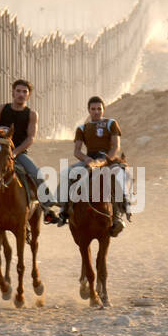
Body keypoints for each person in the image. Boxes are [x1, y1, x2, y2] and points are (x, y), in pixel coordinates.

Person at [0, 79, 58, 232]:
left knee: (36, 174)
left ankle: (47, 209)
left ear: (29, 95)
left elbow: (31, 137)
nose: (21, 94)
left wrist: (15, 152)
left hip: (19, 153)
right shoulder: (1, 108)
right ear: (13, 92)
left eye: (24, 92)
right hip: (1, 153)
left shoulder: (31, 114)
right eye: (18, 91)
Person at [52, 96, 127, 236]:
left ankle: (120, 212)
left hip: (107, 159)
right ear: (88, 110)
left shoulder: (111, 124)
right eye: (93, 109)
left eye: (99, 109)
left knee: (120, 175)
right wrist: (87, 159)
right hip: (90, 159)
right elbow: (77, 150)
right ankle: (64, 209)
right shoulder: (82, 128)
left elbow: (116, 146)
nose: (96, 112)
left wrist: (106, 160)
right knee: (67, 173)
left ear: (103, 109)